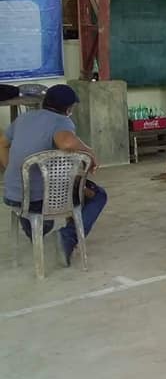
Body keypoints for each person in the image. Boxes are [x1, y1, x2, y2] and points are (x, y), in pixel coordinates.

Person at [0, 84, 106, 265]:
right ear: (68, 108)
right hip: (39, 200)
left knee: (46, 209)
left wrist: (14, 170)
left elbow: (2, 143)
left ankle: (37, 232)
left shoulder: (24, 118)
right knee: (97, 195)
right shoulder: (61, 121)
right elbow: (66, 143)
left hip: (13, 195)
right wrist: (91, 153)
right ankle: (67, 237)